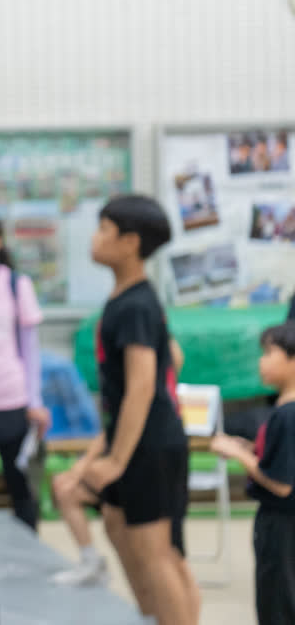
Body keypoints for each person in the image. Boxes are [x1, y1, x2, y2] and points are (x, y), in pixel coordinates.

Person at [52, 195, 198, 625]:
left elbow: (142, 386)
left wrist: (116, 460)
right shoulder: (129, 301)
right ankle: (152, 616)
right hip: (135, 440)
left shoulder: (135, 304)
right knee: (119, 528)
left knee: (158, 555)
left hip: (149, 447)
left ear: (130, 242)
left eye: (104, 229)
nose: (95, 238)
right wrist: (99, 455)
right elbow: (173, 356)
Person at [51, 336, 186, 588]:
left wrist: (98, 464)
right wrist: (87, 465)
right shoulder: (132, 388)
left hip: (145, 468)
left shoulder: (150, 395)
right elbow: (114, 429)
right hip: (127, 467)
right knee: (68, 489)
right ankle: (92, 560)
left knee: (165, 557)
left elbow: (126, 423)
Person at [212, 322, 295, 625]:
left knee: (278, 605)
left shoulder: (288, 414)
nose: (261, 361)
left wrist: (240, 456)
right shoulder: (284, 410)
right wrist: (248, 448)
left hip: (282, 527)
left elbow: (281, 484)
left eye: (269, 353)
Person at [0, 212, 50, 531]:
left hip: (12, 396)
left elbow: (30, 348)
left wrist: (34, 401)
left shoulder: (14, 283)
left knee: (19, 481)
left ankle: (31, 546)